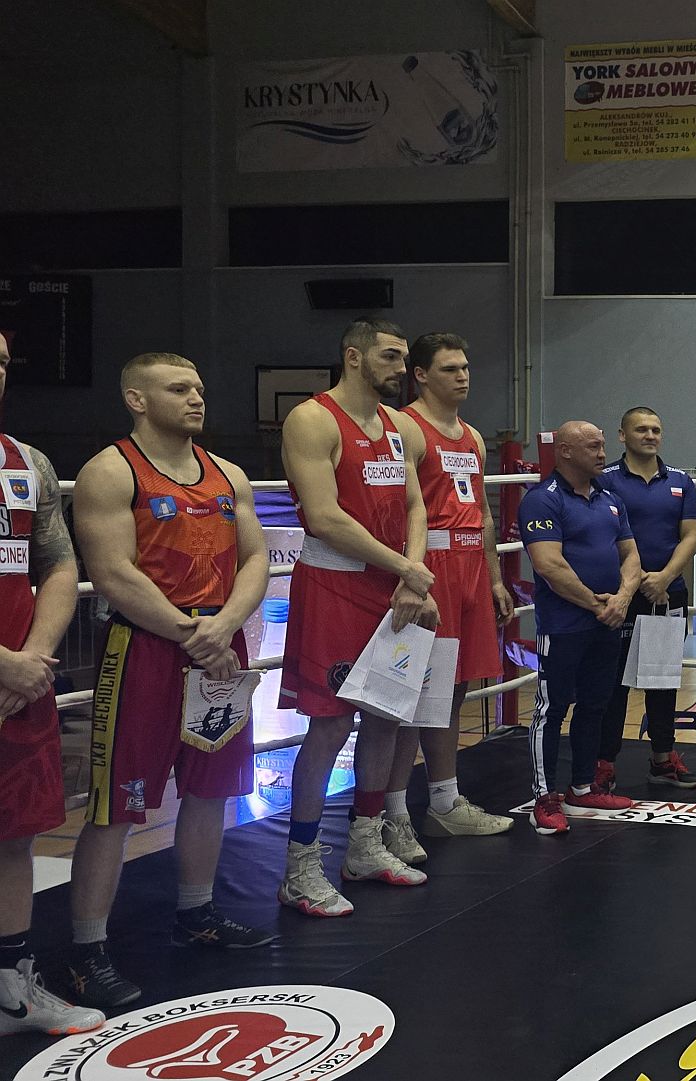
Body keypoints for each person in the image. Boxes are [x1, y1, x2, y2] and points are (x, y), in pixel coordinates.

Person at [65, 353, 277, 1010]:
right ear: (136, 398)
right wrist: (194, 633)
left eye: (199, 387)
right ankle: (86, 951)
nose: (196, 398)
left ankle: (197, 911)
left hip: (220, 644)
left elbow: (256, 558)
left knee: (211, 788)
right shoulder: (111, 470)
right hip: (146, 647)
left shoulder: (228, 474)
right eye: (178, 388)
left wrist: (226, 625)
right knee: (117, 803)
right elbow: (112, 572)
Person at [277, 317, 440, 917]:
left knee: (387, 716)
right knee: (329, 727)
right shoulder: (312, 419)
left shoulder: (400, 427)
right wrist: (407, 570)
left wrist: (409, 573)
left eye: (403, 357)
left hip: (392, 586)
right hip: (335, 587)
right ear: (353, 356)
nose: (401, 368)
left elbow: (416, 505)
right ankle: (300, 868)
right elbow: (324, 517)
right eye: (391, 356)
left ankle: (365, 845)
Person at [0, 336, 103, 1038]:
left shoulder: (27, 461)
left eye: (4, 361)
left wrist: (33, 658)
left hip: (20, 682)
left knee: (14, 834)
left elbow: (59, 565)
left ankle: (11, 990)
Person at [385, 332, 516, 856]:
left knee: (454, 688)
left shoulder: (473, 436)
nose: (463, 376)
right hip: (429, 566)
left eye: (465, 367)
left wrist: (495, 577)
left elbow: (482, 514)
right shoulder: (405, 427)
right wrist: (412, 575)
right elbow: (398, 509)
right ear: (420, 374)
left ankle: (443, 801)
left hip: (469, 569)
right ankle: (392, 813)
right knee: (410, 693)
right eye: (449, 369)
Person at [517, 421, 642, 835]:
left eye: (602, 445)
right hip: (565, 624)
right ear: (566, 451)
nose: (602, 453)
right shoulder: (542, 500)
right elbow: (549, 564)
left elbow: (631, 557)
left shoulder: (610, 499)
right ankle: (544, 797)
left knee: (595, 704)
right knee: (551, 709)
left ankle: (583, 787)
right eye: (593, 446)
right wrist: (596, 604)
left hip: (607, 622)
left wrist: (622, 599)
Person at [592, 406, 696, 792]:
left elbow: (691, 535)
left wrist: (665, 577)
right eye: (641, 429)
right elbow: (599, 533)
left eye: (656, 429)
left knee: (662, 681)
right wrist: (634, 581)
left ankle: (662, 759)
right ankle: (603, 762)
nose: (650, 435)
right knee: (612, 684)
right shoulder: (604, 480)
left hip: (666, 594)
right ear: (622, 435)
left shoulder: (681, 481)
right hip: (618, 596)